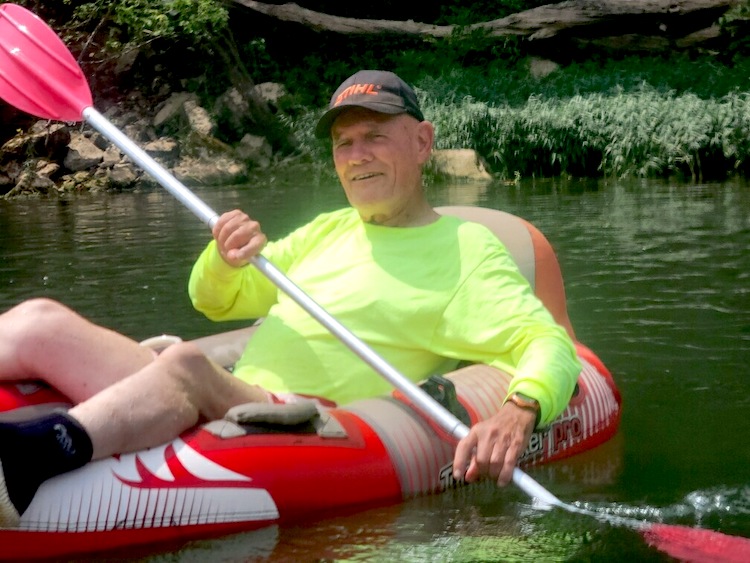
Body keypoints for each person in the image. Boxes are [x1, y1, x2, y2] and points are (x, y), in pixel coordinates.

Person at [0, 70, 581, 528]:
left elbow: (550, 342)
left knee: (182, 365)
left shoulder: (465, 251)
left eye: (375, 136)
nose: (357, 156)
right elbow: (213, 302)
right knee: (38, 321)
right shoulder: (328, 229)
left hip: (303, 423)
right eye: (344, 143)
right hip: (228, 397)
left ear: (422, 141)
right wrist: (224, 259)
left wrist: (521, 408)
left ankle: (24, 463)